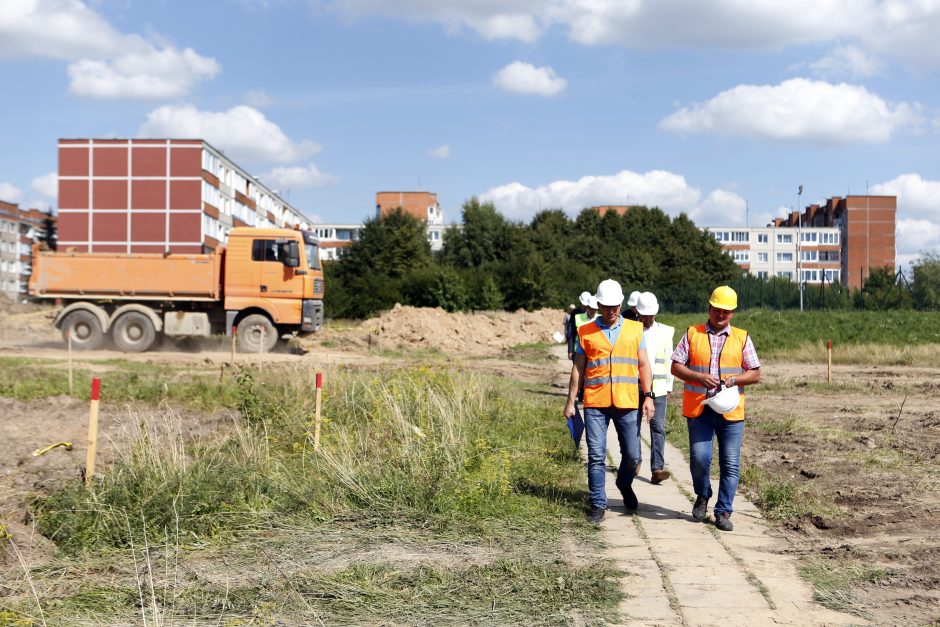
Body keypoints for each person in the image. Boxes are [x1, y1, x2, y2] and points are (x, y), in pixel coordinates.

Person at [563, 279, 656, 524]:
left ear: (621, 303)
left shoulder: (635, 330)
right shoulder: (586, 331)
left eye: (615, 306)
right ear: (599, 304)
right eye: (606, 306)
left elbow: (644, 365)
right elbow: (578, 369)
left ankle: (624, 484)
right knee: (595, 455)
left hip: (626, 401)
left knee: (633, 456)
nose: (611, 311)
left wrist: (648, 396)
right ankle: (597, 503)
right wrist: (571, 401)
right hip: (596, 402)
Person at [670, 286, 761, 532]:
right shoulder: (692, 334)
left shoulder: (742, 337)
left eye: (726, 311)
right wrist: (698, 378)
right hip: (700, 409)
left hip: (731, 413)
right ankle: (703, 495)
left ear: (732, 313)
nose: (721, 315)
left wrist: (736, 380)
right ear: (709, 308)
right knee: (700, 459)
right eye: (717, 310)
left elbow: (755, 374)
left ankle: (723, 511)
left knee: (730, 464)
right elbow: (676, 367)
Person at [635, 291, 675, 485]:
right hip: (633, 386)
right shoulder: (630, 331)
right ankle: (634, 461)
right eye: (644, 315)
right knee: (631, 427)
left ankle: (657, 469)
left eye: (650, 315)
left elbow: (669, 360)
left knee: (657, 428)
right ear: (637, 313)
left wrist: (669, 384)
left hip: (658, 388)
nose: (647, 319)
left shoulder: (666, 332)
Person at [566, 291, 598, 361]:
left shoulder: (597, 317)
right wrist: (570, 350)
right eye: (584, 305)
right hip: (577, 350)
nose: (585, 307)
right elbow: (571, 333)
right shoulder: (575, 314)